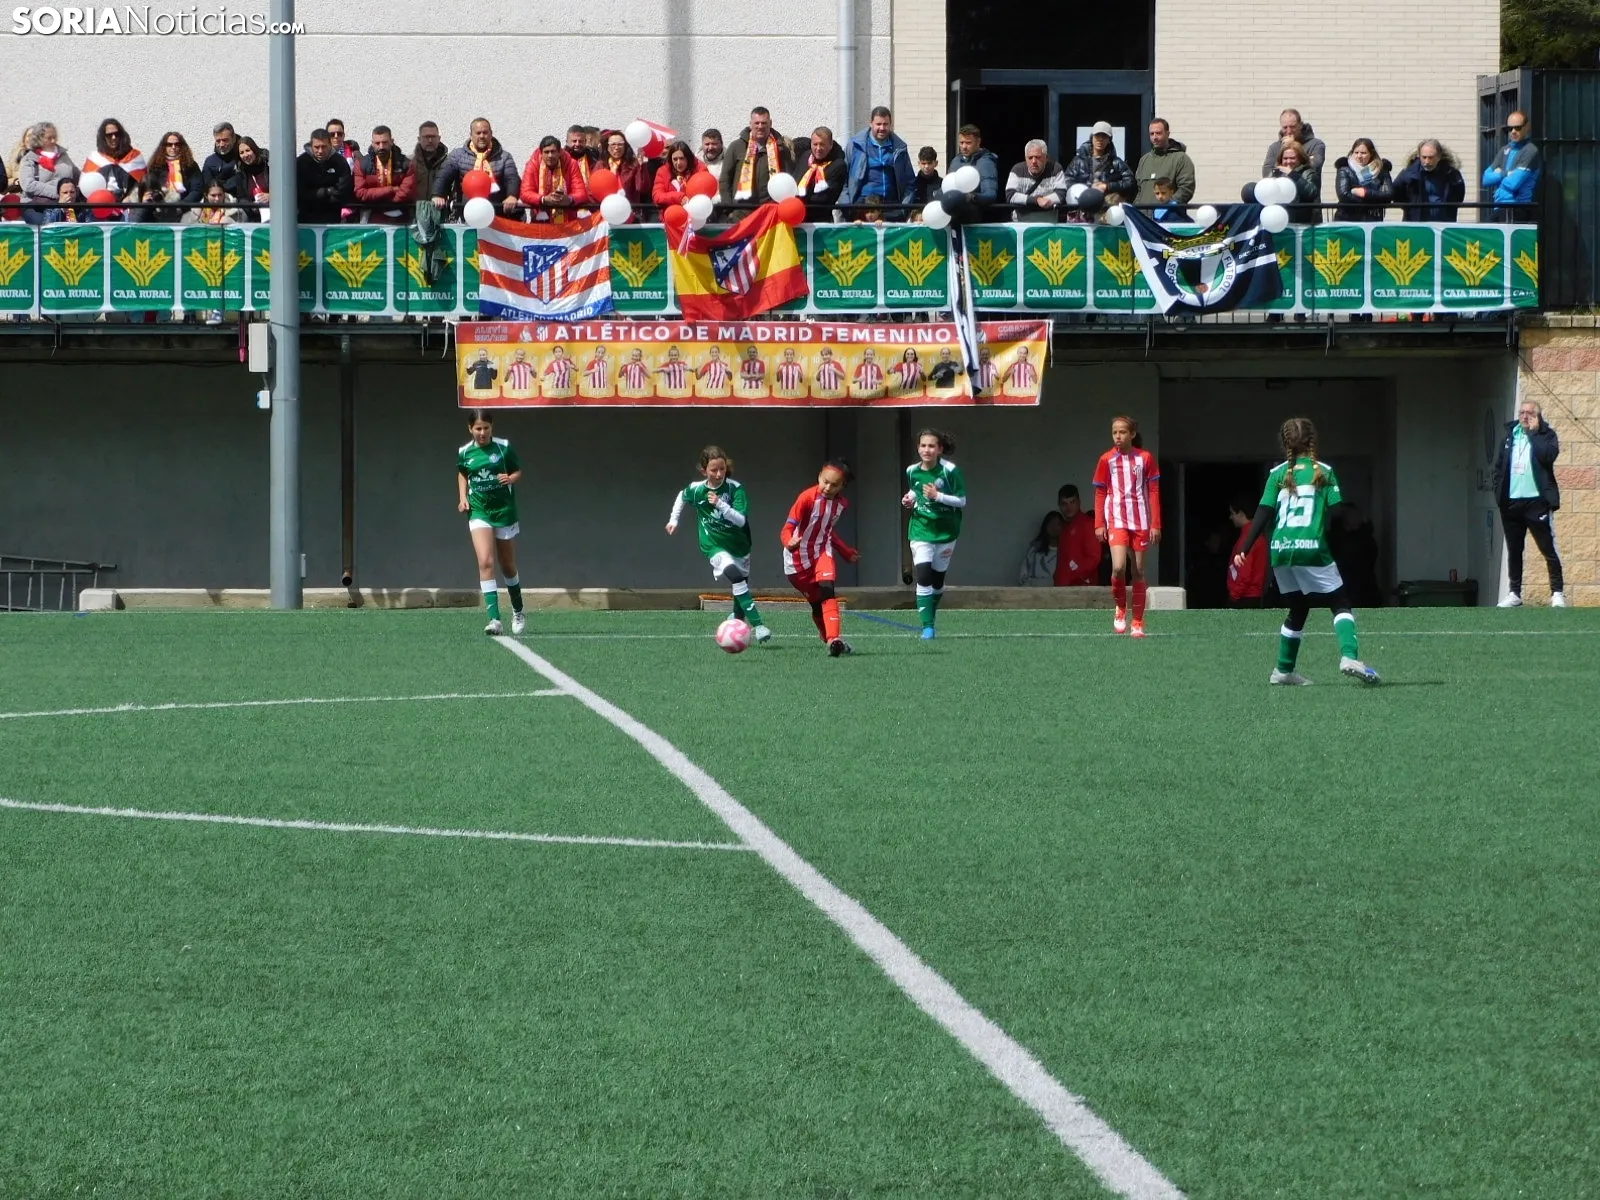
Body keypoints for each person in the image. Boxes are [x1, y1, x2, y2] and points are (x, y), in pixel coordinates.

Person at [1231, 417, 1381, 684]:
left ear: (1285, 443)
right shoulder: (1323, 471)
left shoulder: (1277, 473)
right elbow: (1337, 511)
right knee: (1340, 602)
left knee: (1298, 608)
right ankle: (1349, 656)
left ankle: (1283, 670)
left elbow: (1264, 511)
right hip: (1310, 546)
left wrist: (1245, 546)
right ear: (1313, 441)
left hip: (1280, 549)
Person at [666, 445, 772, 645]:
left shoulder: (735, 488)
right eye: (713, 470)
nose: (718, 474)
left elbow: (740, 521)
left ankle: (737, 619)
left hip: (739, 544)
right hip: (713, 544)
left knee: (740, 585)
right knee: (735, 576)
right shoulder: (697, 489)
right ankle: (759, 625)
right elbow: (682, 496)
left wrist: (721, 504)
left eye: (722, 469)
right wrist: (674, 520)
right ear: (703, 471)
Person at [457, 409, 526, 636]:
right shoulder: (465, 452)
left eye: (486, 428)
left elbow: (517, 471)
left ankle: (518, 610)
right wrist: (463, 497)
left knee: (507, 565)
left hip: (504, 510)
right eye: (478, 428)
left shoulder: (503, 447)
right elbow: (462, 473)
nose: (482, 432)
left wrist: (510, 478)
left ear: (491, 427)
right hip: (479, 510)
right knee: (486, 562)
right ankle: (494, 619)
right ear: (470, 429)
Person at [782, 459, 860, 657]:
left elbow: (827, 530)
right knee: (817, 605)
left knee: (827, 590)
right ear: (819, 477)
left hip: (822, 552)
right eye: (825, 481)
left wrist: (845, 551)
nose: (828, 487)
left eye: (834, 485)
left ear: (842, 486)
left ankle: (835, 638)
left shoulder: (841, 504)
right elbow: (787, 528)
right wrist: (789, 542)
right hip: (796, 561)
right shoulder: (806, 498)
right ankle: (828, 639)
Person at [1493, 399, 1566, 607]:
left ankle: (1557, 592)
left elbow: (1548, 457)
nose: (1525, 417)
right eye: (1522, 413)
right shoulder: (1510, 435)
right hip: (1511, 503)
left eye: (1530, 413)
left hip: (1536, 502)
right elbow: (1499, 466)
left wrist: (1534, 435)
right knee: (1514, 549)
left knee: (1547, 547)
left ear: (1538, 416)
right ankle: (1514, 593)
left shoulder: (1547, 436)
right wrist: (1498, 492)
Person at [1093, 415, 1161, 637]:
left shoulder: (1145, 458)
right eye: (1114, 432)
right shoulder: (1106, 459)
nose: (1118, 436)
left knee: (1138, 570)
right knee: (1118, 567)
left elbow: (1153, 491)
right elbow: (1100, 492)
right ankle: (1121, 608)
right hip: (1117, 520)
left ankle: (1138, 621)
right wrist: (1099, 523)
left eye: (1122, 432)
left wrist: (1155, 524)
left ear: (1132, 434)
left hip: (1140, 521)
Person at [901, 428, 966, 640]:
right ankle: (927, 627)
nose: (926, 450)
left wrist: (938, 496)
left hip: (946, 532)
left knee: (937, 582)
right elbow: (915, 489)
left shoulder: (950, 471)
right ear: (918, 448)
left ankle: (931, 614)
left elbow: (961, 501)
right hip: (920, 529)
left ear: (939, 449)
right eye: (923, 445)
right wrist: (909, 498)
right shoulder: (912, 470)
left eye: (931, 446)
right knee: (924, 577)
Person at [431, 117, 521, 220]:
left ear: (491, 134)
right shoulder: (457, 155)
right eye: (478, 133)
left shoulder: (504, 157)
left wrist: (512, 196)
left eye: (485, 132)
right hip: (466, 215)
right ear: (471, 135)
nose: (482, 136)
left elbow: (512, 178)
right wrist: (437, 194)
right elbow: (443, 176)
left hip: (496, 217)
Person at [840, 106, 914, 219]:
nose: (882, 128)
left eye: (885, 124)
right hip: (862, 207)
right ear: (871, 123)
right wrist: (847, 208)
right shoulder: (855, 145)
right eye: (878, 124)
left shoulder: (900, 148)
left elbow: (910, 182)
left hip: (891, 208)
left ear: (890, 124)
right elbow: (843, 179)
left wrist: (904, 209)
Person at [721, 107, 793, 205]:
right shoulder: (736, 147)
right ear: (750, 124)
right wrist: (728, 207)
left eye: (764, 123)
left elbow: (788, 179)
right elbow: (725, 179)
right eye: (757, 123)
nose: (760, 126)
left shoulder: (781, 148)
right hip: (741, 208)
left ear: (770, 123)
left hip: (771, 207)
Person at [1482, 111, 1541, 222]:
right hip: (1499, 207)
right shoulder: (1505, 149)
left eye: (1517, 128)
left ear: (1527, 127)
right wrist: (1505, 174)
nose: (1513, 131)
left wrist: (1497, 176)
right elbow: (1485, 179)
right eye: (1510, 128)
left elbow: (1513, 183)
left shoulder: (1530, 150)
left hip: (1518, 207)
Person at [16, 122, 78, 225]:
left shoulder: (63, 155)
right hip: (36, 205)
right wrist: (58, 192)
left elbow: (75, 174)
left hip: (65, 202)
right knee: (46, 225)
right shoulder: (29, 159)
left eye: (55, 137)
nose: (53, 141)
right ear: (39, 139)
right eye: (49, 138)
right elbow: (28, 185)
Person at [1064, 121, 1136, 208]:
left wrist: (1108, 186)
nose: (1100, 139)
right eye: (1097, 135)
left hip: (1106, 207)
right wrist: (1089, 188)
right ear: (1092, 137)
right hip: (1082, 206)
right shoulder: (1078, 161)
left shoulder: (1116, 162)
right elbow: (1067, 181)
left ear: (1109, 140)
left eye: (1104, 136)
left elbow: (1130, 182)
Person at [521, 136, 590, 225]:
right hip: (540, 221)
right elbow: (525, 193)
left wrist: (569, 199)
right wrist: (544, 199)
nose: (550, 155)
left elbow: (581, 193)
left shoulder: (571, 164)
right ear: (541, 153)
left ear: (559, 152)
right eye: (546, 152)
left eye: (553, 151)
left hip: (568, 222)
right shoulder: (533, 164)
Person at [353, 125, 415, 224]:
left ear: (392, 142)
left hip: (401, 214)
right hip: (371, 214)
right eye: (377, 143)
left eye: (384, 142)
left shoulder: (406, 164)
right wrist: (391, 190)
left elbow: (406, 193)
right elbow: (360, 193)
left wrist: (377, 198)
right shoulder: (361, 164)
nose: (381, 147)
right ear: (372, 144)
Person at [1390, 139, 1465, 222]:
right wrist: (1411, 208)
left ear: (1439, 157)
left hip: (1443, 224)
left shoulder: (1452, 174)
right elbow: (1396, 194)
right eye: (1424, 157)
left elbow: (1459, 196)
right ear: (1419, 156)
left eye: (1430, 157)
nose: (1427, 161)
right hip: (1416, 223)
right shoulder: (1408, 174)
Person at [144, 130, 203, 222]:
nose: (173, 147)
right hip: (159, 210)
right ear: (164, 147)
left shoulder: (190, 165)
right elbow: (150, 187)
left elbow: (197, 189)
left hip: (184, 210)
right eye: (169, 144)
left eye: (177, 144)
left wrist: (181, 205)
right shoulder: (156, 165)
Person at [791, 126, 848, 221]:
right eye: (815, 144)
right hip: (797, 216)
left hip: (820, 219)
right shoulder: (806, 156)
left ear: (830, 145)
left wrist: (799, 203)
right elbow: (795, 180)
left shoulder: (838, 165)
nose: (818, 148)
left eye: (822, 144)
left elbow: (824, 198)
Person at [1135, 118, 1195, 206]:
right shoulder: (1144, 160)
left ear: (1167, 134)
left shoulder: (1181, 159)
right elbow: (1139, 191)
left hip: (1169, 213)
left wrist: (1167, 207)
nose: (1155, 137)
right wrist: (1136, 208)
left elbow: (1186, 189)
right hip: (1143, 214)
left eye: (1158, 133)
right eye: (1152, 134)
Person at [297, 129, 352, 224]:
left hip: (332, 219)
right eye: (316, 147)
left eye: (324, 147)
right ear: (311, 145)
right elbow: (299, 193)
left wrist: (315, 195)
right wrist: (326, 191)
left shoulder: (340, 162)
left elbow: (344, 193)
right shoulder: (301, 163)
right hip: (305, 220)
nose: (320, 151)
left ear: (330, 145)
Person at [1262, 109, 1326, 189]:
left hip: (1306, 194)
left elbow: (1315, 167)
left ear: (1300, 125)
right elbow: (1267, 174)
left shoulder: (1316, 145)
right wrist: (1284, 148)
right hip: (1281, 193)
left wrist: (1294, 146)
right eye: (1285, 127)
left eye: (1292, 127)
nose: (1289, 131)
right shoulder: (1274, 147)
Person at [1006, 139, 1067, 223]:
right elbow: (1010, 195)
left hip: (1048, 224)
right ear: (1025, 159)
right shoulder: (1017, 170)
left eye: (1038, 157)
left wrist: (1044, 201)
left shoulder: (1056, 169)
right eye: (1030, 158)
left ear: (1046, 158)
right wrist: (1037, 200)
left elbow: (1061, 194)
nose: (1034, 161)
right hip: (1021, 225)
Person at [1333, 138, 1393, 222]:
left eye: (1363, 153)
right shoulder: (1344, 169)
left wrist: (1365, 193)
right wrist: (1371, 202)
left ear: (1371, 154)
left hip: (1373, 219)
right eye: (1356, 152)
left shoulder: (1381, 170)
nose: (1359, 156)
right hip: (1348, 218)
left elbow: (1388, 195)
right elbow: (1344, 195)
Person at [947, 124, 1002, 213]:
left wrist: (972, 197)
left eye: (968, 143)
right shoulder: (956, 161)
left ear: (978, 142)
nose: (964, 147)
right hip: (954, 213)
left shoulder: (986, 163)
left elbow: (990, 194)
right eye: (961, 142)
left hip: (976, 215)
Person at [1054, 484, 1100, 586]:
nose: (1068, 507)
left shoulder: (1088, 524)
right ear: (1059, 505)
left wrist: (1075, 574)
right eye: (1064, 503)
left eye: (1072, 502)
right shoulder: (1064, 530)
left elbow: (1093, 558)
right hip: (1063, 587)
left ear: (1079, 502)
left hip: (1082, 587)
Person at [1227, 494, 1268, 607]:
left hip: (1244, 597)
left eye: (1232, 513)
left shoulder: (1248, 538)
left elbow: (1244, 573)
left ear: (1241, 513)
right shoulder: (1254, 535)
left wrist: (1234, 596)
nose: (1231, 517)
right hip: (1248, 595)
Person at [1271, 140, 1320, 226]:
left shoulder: (1309, 172)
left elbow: (1311, 193)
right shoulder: (1277, 174)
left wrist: (1292, 175)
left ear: (1300, 159)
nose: (1288, 161)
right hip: (1279, 222)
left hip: (1302, 223)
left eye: (1292, 158)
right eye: (1285, 158)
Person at [652, 140, 713, 209]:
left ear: (688, 158)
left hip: (695, 210)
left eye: (682, 158)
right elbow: (657, 196)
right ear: (670, 159)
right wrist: (679, 197)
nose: (678, 163)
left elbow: (704, 192)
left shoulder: (700, 168)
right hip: (670, 212)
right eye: (675, 159)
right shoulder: (663, 171)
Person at [201, 121, 245, 199]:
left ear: (234, 139)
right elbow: (207, 186)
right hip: (217, 201)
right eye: (218, 141)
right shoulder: (210, 161)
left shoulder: (244, 157)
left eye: (225, 140)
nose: (221, 144)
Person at [1020, 512, 1063, 586]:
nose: (1054, 527)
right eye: (1051, 524)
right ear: (1045, 526)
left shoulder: (1066, 552)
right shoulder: (1034, 551)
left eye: (1058, 524)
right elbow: (1022, 577)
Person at [234, 136, 270, 219]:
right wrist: (251, 206)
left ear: (254, 150)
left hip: (276, 211)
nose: (245, 155)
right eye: (241, 153)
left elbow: (283, 188)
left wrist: (271, 196)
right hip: (255, 216)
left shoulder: (268, 165)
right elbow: (241, 197)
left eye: (248, 150)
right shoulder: (240, 172)